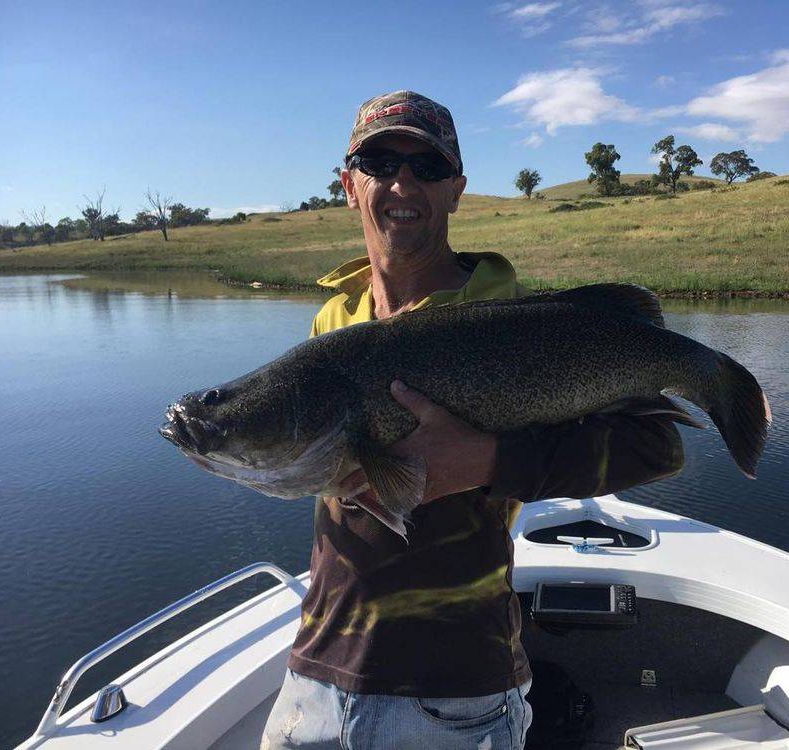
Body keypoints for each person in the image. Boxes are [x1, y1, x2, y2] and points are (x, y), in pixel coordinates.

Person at [260, 91, 684, 749]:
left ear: (456, 190)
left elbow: (656, 445)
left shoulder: (513, 322)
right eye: (380, 161)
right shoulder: (335, 319)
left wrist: (487, 461)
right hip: (315, 674)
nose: (403, 182)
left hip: (451, 694)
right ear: (350, 185)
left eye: (427, 167)